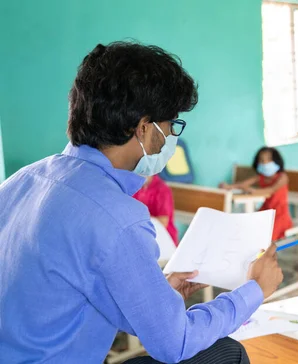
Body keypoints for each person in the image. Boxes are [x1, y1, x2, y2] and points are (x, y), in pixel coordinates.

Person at [0, 41, 283, 364]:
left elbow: (70, 294)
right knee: (226, 354)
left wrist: (159, 293)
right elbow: (175, 343)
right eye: (171, 125)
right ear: (145, 128)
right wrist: (254, 290)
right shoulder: (116, 216)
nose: (172, 136)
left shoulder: (21, 181)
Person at [220, 147, 292, 241]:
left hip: (279, 214)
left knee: (267, 238)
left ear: (276, 161)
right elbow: (243, 184)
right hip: (265, 210)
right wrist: (229, 187)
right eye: (261, 160)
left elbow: (271, 190)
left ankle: (266, 255)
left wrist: (252, 191)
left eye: (269, 160)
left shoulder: (283, 177)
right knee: (251, 230)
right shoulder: (260, 177)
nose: (265, 163)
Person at [134, 175, 179, 245]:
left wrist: (140, 217)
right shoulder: (136, 187)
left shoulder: (162, 190)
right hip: (144, 236)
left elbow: (163, 222)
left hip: (164, 238)